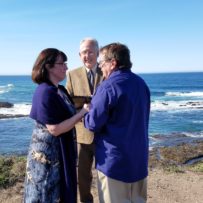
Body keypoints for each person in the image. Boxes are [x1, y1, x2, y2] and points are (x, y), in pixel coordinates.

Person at [84, 43, 151, 203]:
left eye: (101, 63)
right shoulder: (141, 84)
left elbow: (93, 123)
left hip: (114, 162)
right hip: (138, 160)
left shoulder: (108, 87)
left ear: (113, 63)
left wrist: (85, 114)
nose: (100, 68)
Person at [24, 48, 88, 203]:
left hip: (61, 152)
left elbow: (68, 115)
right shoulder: (45, 92)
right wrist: (82, 113)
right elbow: (55, 129)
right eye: (62, 63)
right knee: (46, 195)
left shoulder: (59, 89)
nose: (66, 67)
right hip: (47, 157)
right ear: (48, 66)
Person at [66, 38, 103, 203]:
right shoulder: (72, 74)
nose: (87, 56)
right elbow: (67, 103)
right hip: (82, 135)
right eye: (83, 52)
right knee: (83, 177)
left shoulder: (107, 71)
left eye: (90, 51)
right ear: (79, 55)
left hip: (105, 134)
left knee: (106, 176)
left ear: (98, 52)